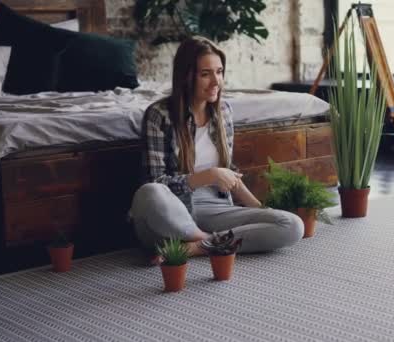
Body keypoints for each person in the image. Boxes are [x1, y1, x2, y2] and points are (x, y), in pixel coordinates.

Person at [129, 36, 304, 263]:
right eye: (205, 74)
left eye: (219, 72)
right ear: (186, 76)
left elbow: (230, 174)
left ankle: (194, 247)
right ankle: (209, 241)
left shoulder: (224, 111)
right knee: (149, 192)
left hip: (216, 208)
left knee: (292, 225)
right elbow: (157, 182)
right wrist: (208, 176)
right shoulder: (159, 115)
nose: (216, 82)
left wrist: (261, 210)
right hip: (171, 212)